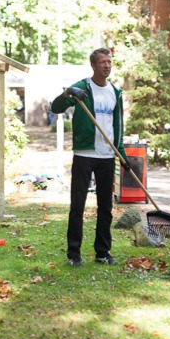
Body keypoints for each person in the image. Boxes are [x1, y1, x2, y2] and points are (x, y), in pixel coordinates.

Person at [50, 47, 129, 267]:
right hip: (84, 154)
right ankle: (74, 254)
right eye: (102, 62)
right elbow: (55, 107)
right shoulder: (81, 88)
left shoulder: (116, 92)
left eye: (109, 62)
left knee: (106, 206)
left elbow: (118, 127)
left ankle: (102, 252)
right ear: (93, 65)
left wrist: (121, 153)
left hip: (106, 155)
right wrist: (68, 93)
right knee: (78, 206)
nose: (107, 65)